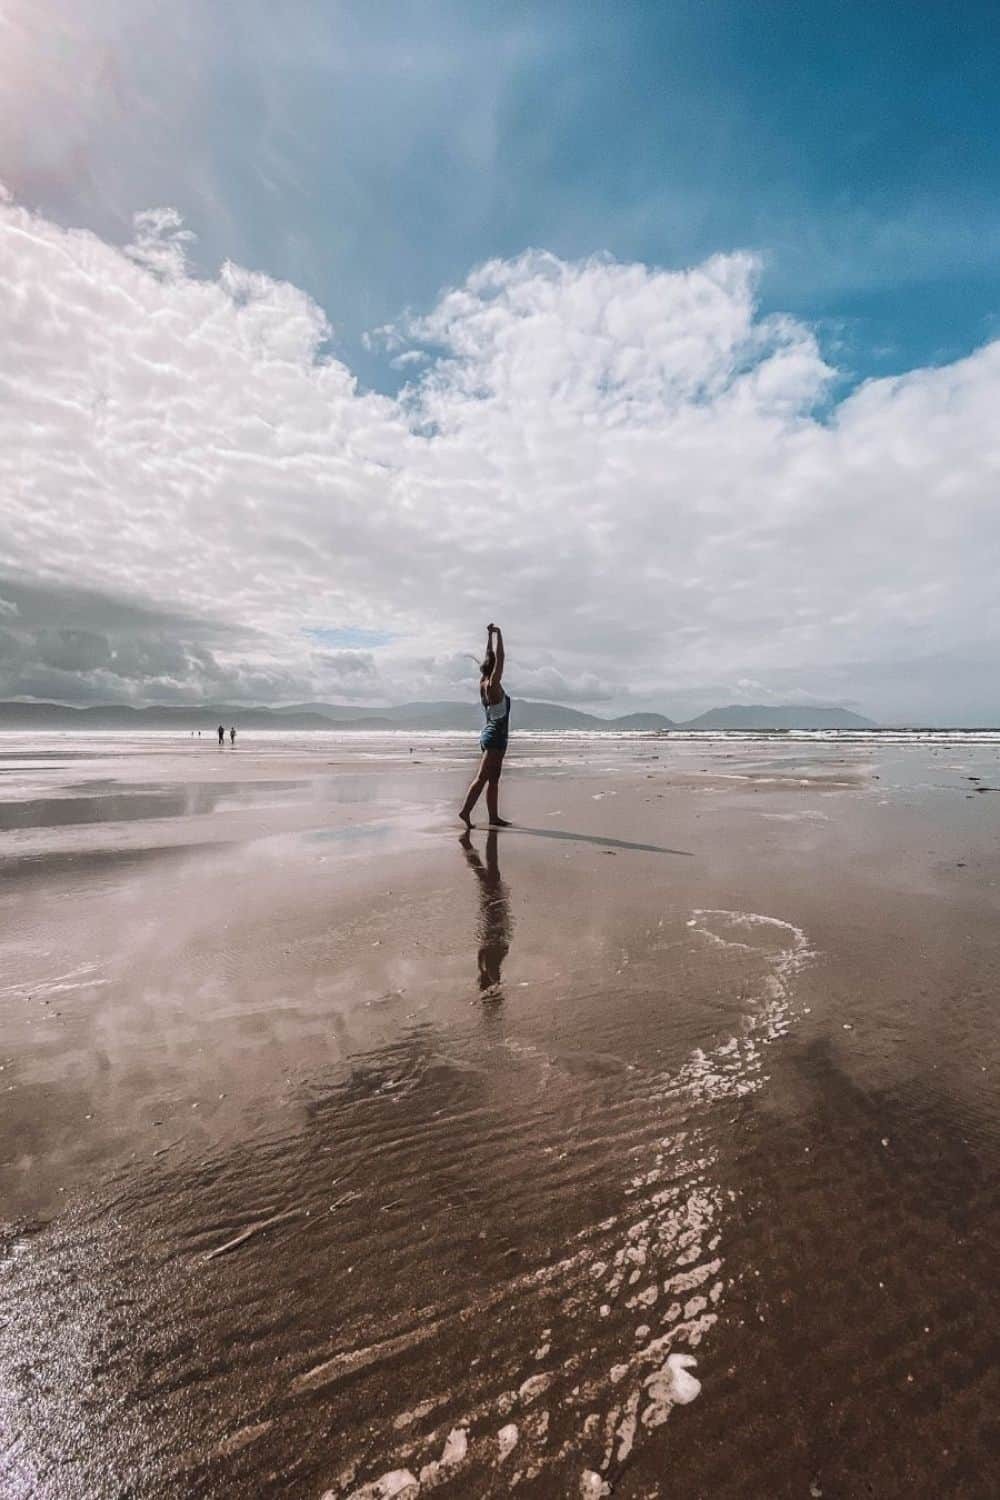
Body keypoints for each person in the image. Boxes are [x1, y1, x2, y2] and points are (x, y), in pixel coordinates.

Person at [459, 623, 511, 828]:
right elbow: (500, 657)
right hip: (495, 736)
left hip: (493, 735)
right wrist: (500, 635)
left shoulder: (483, 682)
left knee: (494, 779)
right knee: (482, 777)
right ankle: (465, 811)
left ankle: (493, 817)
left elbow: (490, 657)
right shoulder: (492, 684)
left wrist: (490, 636)